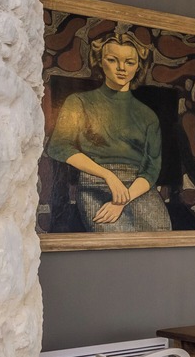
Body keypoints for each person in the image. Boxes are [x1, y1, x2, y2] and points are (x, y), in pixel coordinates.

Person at [46, 30, 171, 232]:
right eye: (113, 60)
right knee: (114, 238)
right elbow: (58, 147)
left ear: (139, 65)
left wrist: (122, 200)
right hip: (95, 184)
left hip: (139, 190)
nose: (122, 68)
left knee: (162, 235)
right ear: (99, 61)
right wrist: (109, 177)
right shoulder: (78, 102)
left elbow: (152, 169)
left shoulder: (148, 115)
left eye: (130, 62)